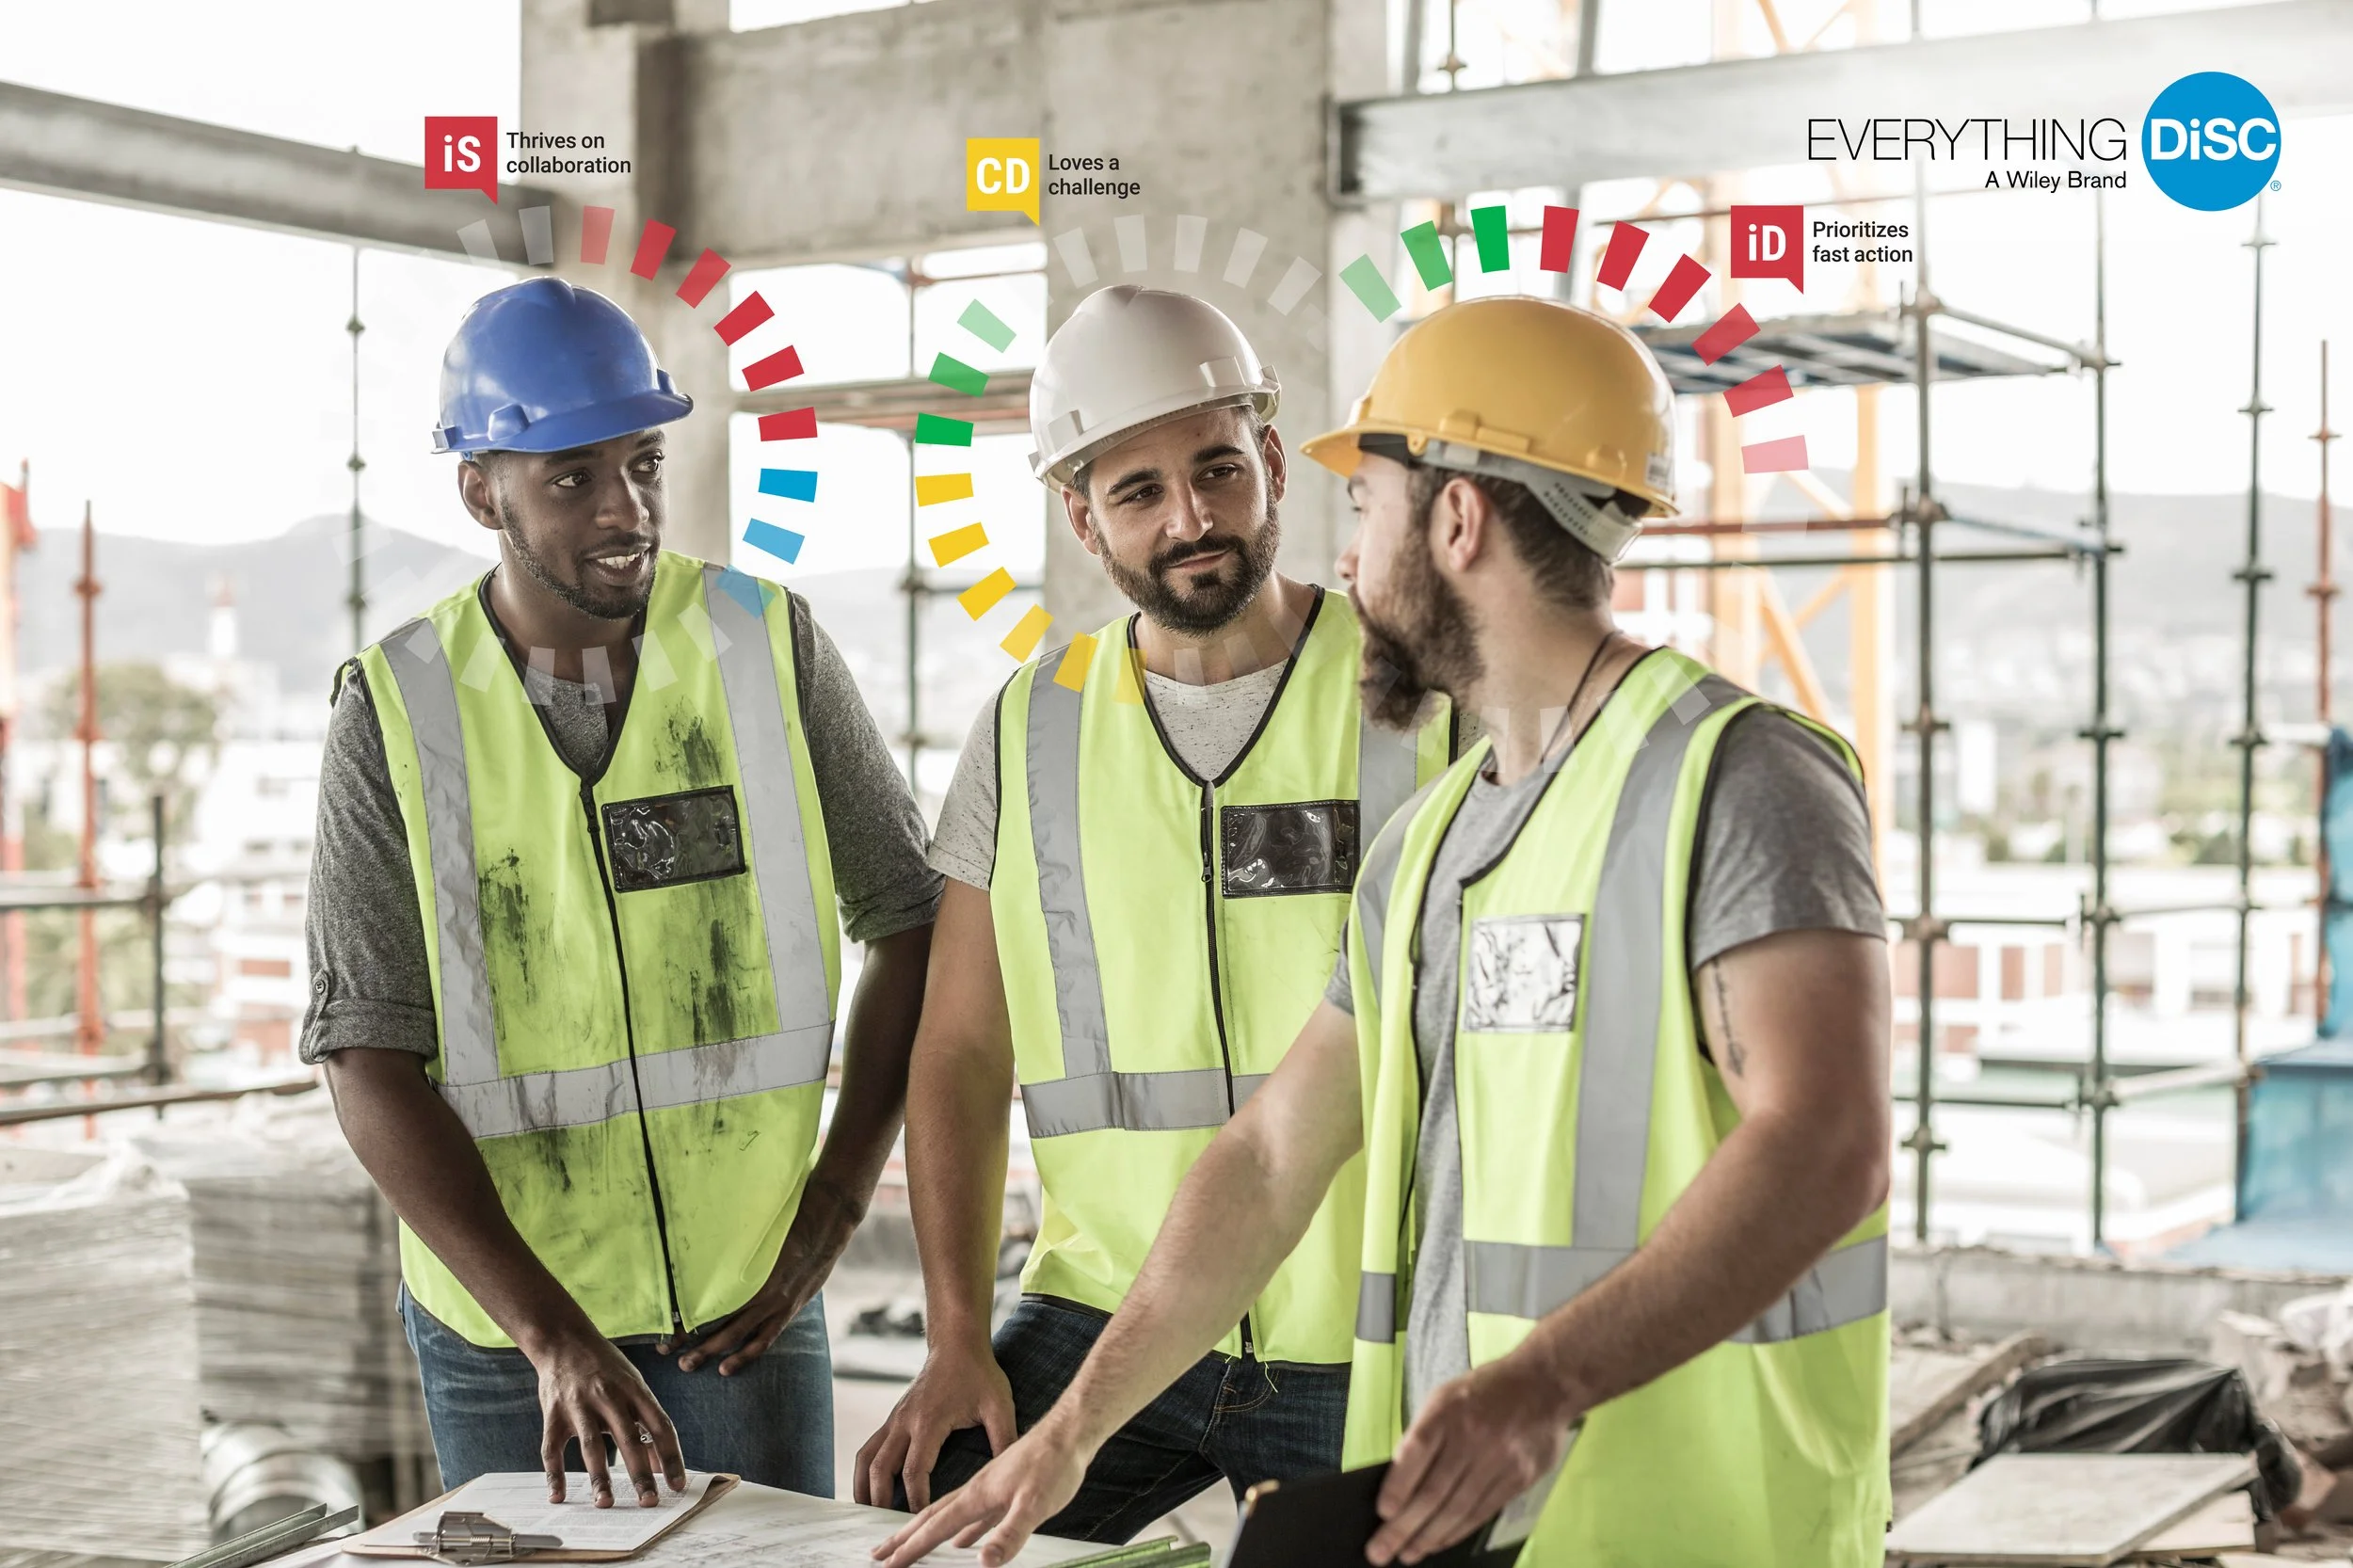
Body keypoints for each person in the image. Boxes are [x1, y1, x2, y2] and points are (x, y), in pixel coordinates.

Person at [873, 295, 1893, 1568]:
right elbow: (1268, 1159)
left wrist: (1539, 1382)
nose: (1347, 558)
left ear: (1455, 520)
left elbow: (1827, 1141)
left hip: (1711, 1513)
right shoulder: (1431, 846)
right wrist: (1072, 1428)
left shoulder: (1739, 777)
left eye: (1372, 508)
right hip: (1483, 1483)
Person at [303, 277, 940, 1508]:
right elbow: (362, 1051)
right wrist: (548, 1335)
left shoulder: (767, 646)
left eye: (643, 466)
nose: (626, 510)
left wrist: (835, 1204)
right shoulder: (393, 712)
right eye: (573, 478)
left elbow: (910, 918)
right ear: (481, 489)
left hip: (740, 1312)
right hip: (505, 1339)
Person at [853, 285, 1456, 1542]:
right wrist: (958, 1334)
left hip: (1359, 1314)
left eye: (1219, 470)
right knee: (918, 1527)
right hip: (1102, 1308)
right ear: (1081, 517)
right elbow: (962, 1050)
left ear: (1273, 464)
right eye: (1138, 492)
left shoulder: (1421, 698)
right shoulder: (1030, 728)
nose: (1193, 519)